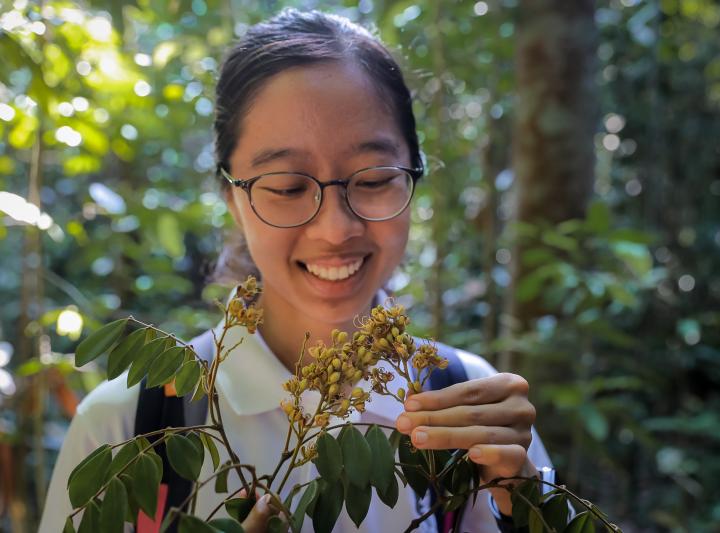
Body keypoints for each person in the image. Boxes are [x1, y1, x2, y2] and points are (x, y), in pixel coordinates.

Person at [39, 9, 551, 532]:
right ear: (231, 199)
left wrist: (524, 501)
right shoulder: (128, 426)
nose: (335, 228)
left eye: (373, 179)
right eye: (286, 186)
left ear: (414, 176)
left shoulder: (469, 401)